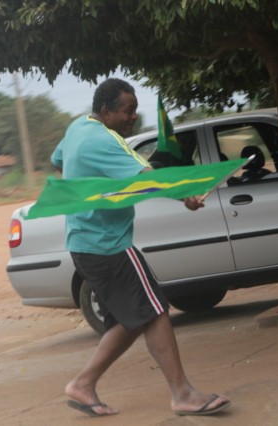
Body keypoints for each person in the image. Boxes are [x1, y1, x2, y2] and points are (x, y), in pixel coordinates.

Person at [51, 78, 231, 417]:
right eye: (127, 111)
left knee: (129, 320)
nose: (133, 117)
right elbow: (148, 176)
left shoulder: (78, 127)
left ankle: (83, 384)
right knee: (155, 309)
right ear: (106, 112)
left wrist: (93, 189)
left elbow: (57, 160)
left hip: (83, 242)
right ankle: (183, 394)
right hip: (108, 244)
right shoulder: (105, 140)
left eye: (135, 109)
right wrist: (187, 198)